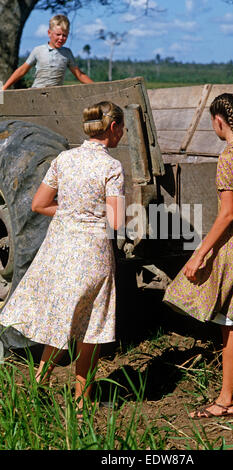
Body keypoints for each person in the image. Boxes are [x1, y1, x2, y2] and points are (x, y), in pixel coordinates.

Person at [0, 101, 125, 415]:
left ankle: (40, 382)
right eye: (121, 128)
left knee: (61, 317)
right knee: (92, 326)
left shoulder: (63, 159)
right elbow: (116, 221)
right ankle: (82, 401)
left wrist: (69, 213)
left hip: (61, 247)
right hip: (93, 250)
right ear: (113, 128)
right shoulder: (111, 167)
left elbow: (40, 204)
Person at [163, 93, 233, 419]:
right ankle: (230, 394)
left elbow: (226, 215)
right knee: (232, 317)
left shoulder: (228, 158)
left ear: (219, 121)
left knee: (229, 320)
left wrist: (199, 255)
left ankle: (228, 399)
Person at [2, 14, 93, 90]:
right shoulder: (38, 50)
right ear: (49, 33)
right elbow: (22, 70)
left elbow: (79, 75)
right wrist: (4, 88)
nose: (61, 38)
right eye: (58, 34)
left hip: (56, 96)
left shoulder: (67, 53)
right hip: (36, 92)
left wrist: (100, 88)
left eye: (64, 35)